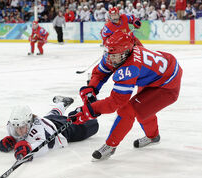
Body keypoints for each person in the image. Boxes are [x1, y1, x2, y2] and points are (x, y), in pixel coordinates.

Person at [68, 30, 183, 160]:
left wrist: (89, 110)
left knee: (129, 110)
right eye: (108, 53)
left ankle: (110, 146)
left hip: (168, 85)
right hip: (155, 75)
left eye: (114, 55)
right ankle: (153, 137)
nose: (110, 58)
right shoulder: (116, 54)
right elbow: (100, 73)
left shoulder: (130, 68)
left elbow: (115, 102)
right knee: (144, 110)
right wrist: (91, 88)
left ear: (126, 53)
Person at [0, 96, 99, 160]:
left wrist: (29, 150)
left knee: (94, 124)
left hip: (64, 131)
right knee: (53, 114)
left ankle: (91, 103)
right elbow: (17, 135)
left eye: (22, 127)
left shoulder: (37, 128)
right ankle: (63, 103)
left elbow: (44, 146)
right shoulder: (12, 125)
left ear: (29, 123)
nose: (19, 131)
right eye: (17, 128)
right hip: (48, 120)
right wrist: (11, 140)